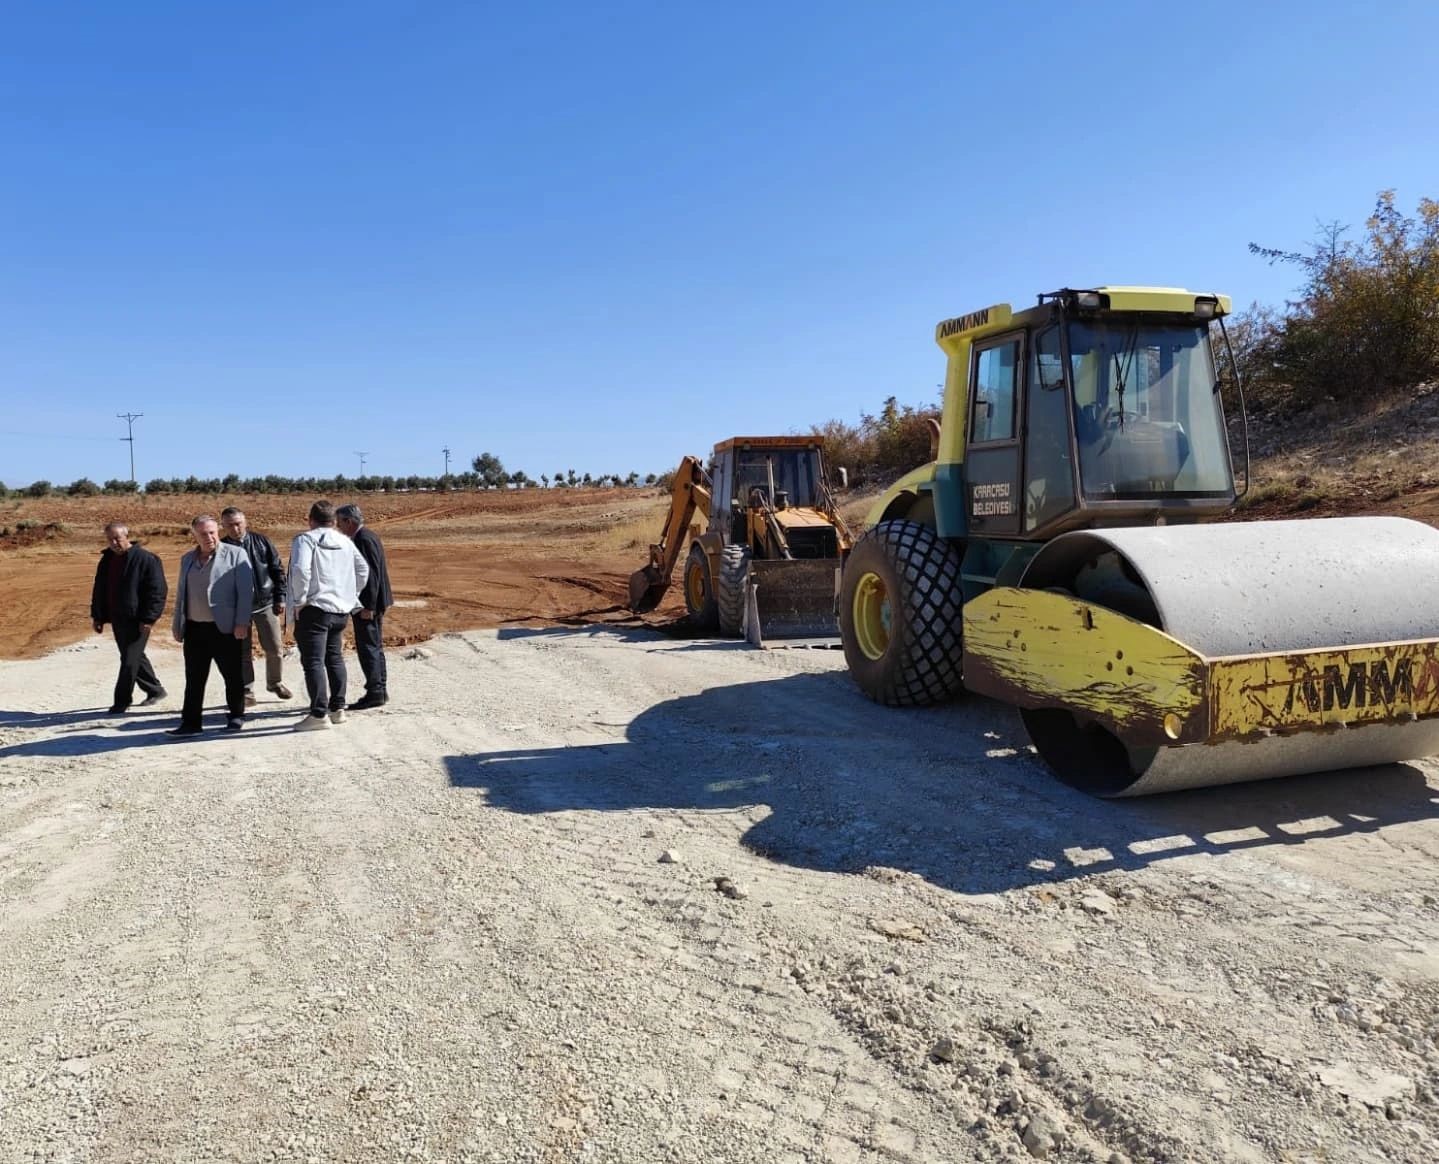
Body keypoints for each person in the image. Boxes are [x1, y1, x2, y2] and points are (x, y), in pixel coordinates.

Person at [168, 515, 253, 736]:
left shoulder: (236, 555)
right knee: (194, 678)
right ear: (195, 535)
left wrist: (242, 622)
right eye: (203, 534)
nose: (209, 537)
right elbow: (182, 595)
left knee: (232, 675)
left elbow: (246, 593)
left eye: (212, 532)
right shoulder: (187, 559)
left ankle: (236, 715)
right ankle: (191, 723)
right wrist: (178, 624)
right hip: (195, 629)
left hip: (225, 628)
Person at [287, 500, 368, 731]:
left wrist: (300, 600)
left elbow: (300, 570)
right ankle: (337, 709)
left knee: (313, 661)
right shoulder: (345, 541)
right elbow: (363, 570)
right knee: (334, 658)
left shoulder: (306, 539)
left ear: (310, 520)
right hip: (340, 610)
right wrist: (350, 594)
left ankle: (318, 714)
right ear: (333, 521)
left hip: (314, 609)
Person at [90, 521, 168, 714]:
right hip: (118, 618)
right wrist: (98, 616)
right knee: (133, 657)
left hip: (138, 620)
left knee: (129, 661)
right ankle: (155, 690)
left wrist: (149, 619)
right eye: (110, 539)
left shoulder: (146, 559)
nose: (114, 543)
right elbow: (99, 589)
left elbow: (157, 592)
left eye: (118, 538)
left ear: (127, 536)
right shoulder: (107, 560)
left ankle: (121, 701)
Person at [220, 506, 293, 705]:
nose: (235, 529)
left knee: (275, 647)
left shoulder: (262, 541)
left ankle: (275, 682)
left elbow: (277, 569)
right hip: (237, 609)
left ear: (245, 522)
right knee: (242, 652)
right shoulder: (221, 548)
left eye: (238, 524)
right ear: (223, 526)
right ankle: (247, 691)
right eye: (230, 525)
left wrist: (280, 597)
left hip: (265, 603)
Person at [335, 503, 392, 709]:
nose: (338, 527)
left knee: (368, 648)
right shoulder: (367, 535)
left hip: (368, 605)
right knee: (374, 646)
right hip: (374, 603)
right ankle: (380, 689)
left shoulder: (363, 539)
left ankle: (375, 692)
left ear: (349, 521)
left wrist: (368, 606)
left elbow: (371, 575)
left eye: (340, 522)